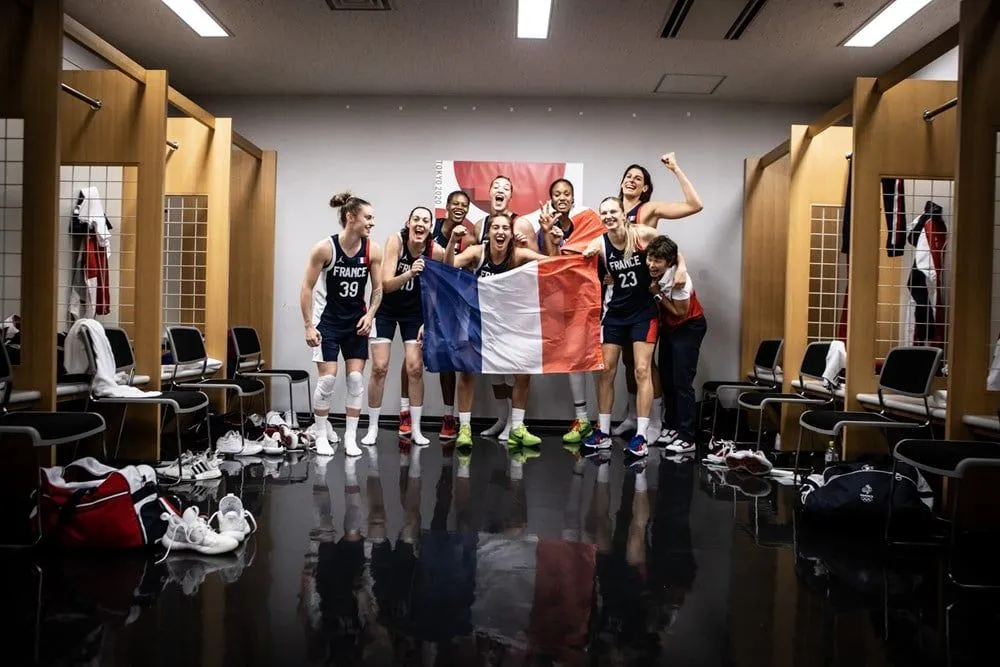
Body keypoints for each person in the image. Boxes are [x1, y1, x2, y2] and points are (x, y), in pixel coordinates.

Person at [446, 214, 564, 449]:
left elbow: (553, 265)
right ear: (488, 233)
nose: (500, 232)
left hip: (509, 324)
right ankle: (465, 428)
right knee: (467, 371)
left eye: (505, 228)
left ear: (511, 234)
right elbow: (448, 267)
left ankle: (518, 428)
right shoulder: (477, 252)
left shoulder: (518, 254)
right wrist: (451, 242)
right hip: (480, 323)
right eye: (495, 228)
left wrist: (555, 240)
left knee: (523, 371)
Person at [613, 153, 702, 439]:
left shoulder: (647, 209)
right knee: (628, 361)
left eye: (638, 178)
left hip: (646, 292)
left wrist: (675, 168)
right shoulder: (610, 211)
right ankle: (631, 415)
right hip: (621, 293)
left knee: (645, 363)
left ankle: (654, 421)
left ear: (645, 188)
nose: (631, 180)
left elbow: (694, 206)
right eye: (628, 175)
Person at [301, 192, 383, 457]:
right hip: (328, 323)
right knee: (327, 382)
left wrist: (370, 315)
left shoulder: (373, 249)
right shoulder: (325, 248)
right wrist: (307, 326)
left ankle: (350, 437)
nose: (372, 223)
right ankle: (321, 433)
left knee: (356, 380)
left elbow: (378, 288)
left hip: (356, 323)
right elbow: (307, 287)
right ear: (351, 217)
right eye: (368, 217)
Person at [581, 197, 664, 458]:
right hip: (615, 314)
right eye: (603, 212)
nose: (608, 216)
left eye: (612, 211)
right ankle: (603, 432)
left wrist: (678, 271)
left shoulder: (643, 234)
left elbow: (671, 251)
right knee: (606, 371)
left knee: (642, 370)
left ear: (623, 213)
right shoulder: (600, 243)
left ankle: (641, 434)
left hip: (643, 313)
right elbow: (576, 259)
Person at [361, 206, 447, 448]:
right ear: (408, 223)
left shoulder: (435, 251)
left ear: (430, 227)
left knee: (415, 368)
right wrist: (410, 273)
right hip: (386, 309)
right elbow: (386, 285)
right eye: (416, 219)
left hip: (414, 313)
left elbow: (436, 292)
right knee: (379, 367)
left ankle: (416, 429)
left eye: (426, 220)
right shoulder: (395, 241)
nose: (420, 224)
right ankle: (373, 428)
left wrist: (427, 322)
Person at [535, 179, 594, 448]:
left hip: (591, 299)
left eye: (566, 194)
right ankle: (582, 419)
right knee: (575, 357)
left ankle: (605, 424)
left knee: (604, 361)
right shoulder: (543, 229)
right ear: (550, 199)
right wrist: (549, 234)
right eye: (556, 194)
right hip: (563, 303)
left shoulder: (589, 224)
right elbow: (552, 265)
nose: (562, 197)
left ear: (573, 200)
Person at [471, 176, 527, 439]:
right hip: (488, 317)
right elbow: (467, 264)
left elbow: (540, 264)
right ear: (489, 191)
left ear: (511, 195)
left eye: (507, 187)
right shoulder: (479, 225)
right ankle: (501, 419)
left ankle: (515, 425)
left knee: (518, 371)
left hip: (514, 316)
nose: (501, 190)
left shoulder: (522, 223)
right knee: (494, 372)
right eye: (497, 187)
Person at [646, 236, 706, 455]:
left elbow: (680, 312)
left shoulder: (680, 280)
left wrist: (657, 296)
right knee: (667, 378)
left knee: (682, 381)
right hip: (670, 328)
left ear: (668, 262)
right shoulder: (657, 270)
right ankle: (671, 426)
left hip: (688, 327)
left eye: (658, 261)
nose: (652, 265)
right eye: (650, 259)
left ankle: (687, 437)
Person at [427, 190, 475, 440]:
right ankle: (448, 416)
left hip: (457, 303)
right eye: (455, 203)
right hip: (430, 300)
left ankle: (459, 419)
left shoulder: (470, 236)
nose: (459, 207)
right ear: (446, 206)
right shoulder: (430, 229)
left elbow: (466, 266)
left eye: (464, 205)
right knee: (442, 359)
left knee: (461, 358)